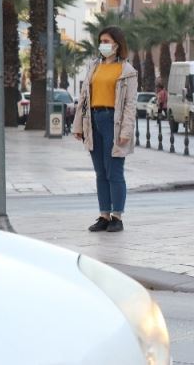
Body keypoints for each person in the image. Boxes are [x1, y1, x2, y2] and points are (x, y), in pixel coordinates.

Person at [73, 26, 138, 233]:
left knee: (114, 171)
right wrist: (79, 125)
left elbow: (130, 104)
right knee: (100, 172)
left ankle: (117, 216)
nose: (103, 44)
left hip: (113, 121)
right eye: (101, 40)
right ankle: (104, 215)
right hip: (93, 119)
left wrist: (125, 132)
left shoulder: (127, 71)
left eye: (107, 41)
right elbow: (84, 98)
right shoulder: (94, 66)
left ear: (117, 44)